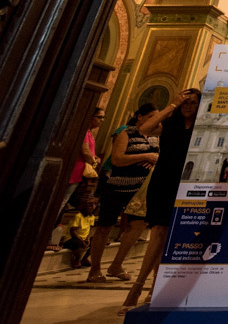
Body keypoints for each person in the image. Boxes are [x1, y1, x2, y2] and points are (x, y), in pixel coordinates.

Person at [85, 94, 186, 282]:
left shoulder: (157, 136)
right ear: (140, 116)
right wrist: (145, 156)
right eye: (150, 117)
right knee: (104, 227)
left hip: (141, 189)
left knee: (138, 226)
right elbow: (117, 159)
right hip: (117, 186)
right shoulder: (127, 132)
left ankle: (116, 265)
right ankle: (95, 269)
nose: (154, 122)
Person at [121, 89, 202, 312]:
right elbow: (142, 130)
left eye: (193, 103)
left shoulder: (201, 125)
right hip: (163, 180)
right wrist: (171, 106)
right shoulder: (168, 123)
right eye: (185, 102)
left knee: (170, 235)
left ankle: (155, 287)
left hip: (186, 182)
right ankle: (137, 287)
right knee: (158, 231)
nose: (188, 106)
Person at [46, 107, 105, 251]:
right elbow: (85, 152)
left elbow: (90, 153)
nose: (101, 120)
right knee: (59, 204)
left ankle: (50, 236)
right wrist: (93, 161)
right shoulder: (83, 131)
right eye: (99, 117)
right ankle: (47, 237)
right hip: (74, 171)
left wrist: (94, 157)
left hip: (80, 173)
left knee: (63, 204)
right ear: (90, 117)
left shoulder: (89, 133)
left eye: (103, 118)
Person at [62, 196, 98, 269]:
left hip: (83, 238)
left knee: (96, 242)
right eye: (90, 204)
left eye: (94, 204)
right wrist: (81, 240)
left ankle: (84, 258)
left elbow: (90, 229)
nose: (92, 206)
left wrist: (87, 238)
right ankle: (77, 259)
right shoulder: (78, 216)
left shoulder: (92, 217)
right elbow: (73, 231)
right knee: (78, 244)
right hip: (72, 238)